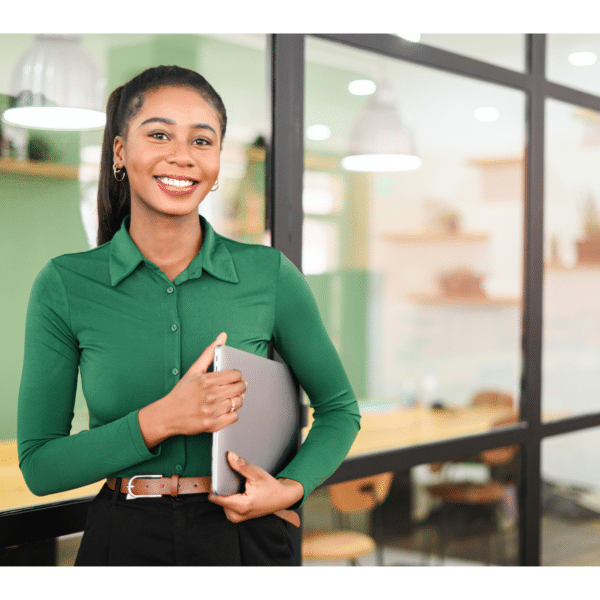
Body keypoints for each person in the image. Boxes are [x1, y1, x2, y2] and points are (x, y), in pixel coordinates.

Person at [17, 65, 361, 566]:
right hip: (124, 538)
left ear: (219, 161)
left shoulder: (268, 275)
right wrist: (161, 419)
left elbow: (339, 410)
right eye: (158, 134)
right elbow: (40, 466)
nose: (181, 156)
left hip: (246, 536)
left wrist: (288, 489)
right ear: (119, 151)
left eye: (202, 141)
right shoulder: (65, 285)